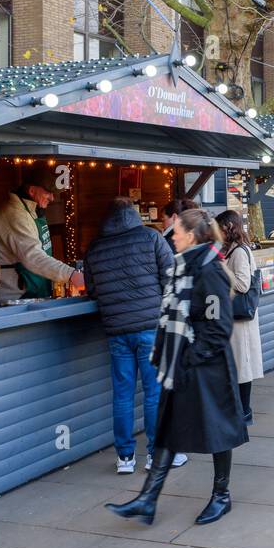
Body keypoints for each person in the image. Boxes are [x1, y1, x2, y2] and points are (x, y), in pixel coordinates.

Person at [106, 209, 248, 526]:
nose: (171, 236)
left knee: (218, 432)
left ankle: (222, 496)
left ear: (193, 235)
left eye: (177, 231)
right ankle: (147, 499)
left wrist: (189, 359)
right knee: (169, 430)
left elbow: (219, 327)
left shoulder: (209, 271)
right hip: (181, 363)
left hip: (207, 367)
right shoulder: (183, 268)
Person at [84, 197, 188, 474]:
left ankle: (125, 458)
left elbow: (92, 290)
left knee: (122, 394)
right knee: (154, 394)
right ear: (133, 215)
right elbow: (171, 277)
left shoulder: (95, 247)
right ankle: (157, 455)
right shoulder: (151, 237)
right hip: (150, 328)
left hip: (116, 332)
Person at [0, 166, 84, 302]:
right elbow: (33, 257)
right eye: (48, 192)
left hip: (32, 292)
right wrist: (71, 274)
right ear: (32, 191)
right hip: (15, 296)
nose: (52, 197)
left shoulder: (31, 210)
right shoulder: (15, 215)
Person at [216, 209, 262, 426]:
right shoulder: (233, 250)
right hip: (235, 321)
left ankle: (244, 412)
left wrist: (221, 272)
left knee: (243, 367)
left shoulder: (240, 252)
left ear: (228, 227)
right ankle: (241, 411)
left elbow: (243, 284)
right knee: (238, 366)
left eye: (219, 228)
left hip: (240, 321)